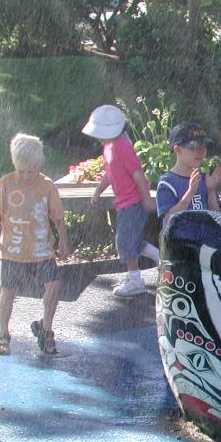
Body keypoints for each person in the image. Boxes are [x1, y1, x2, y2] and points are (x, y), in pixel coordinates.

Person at [0, 133, 69, 356]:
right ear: (15, 165)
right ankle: (3, 333)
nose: (26, 176)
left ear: (40, 163)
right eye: (21, 171)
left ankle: (46, 329)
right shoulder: (5, 184)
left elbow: (58, 217)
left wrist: (63, 238)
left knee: (54, 286)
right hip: (12, 251)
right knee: (7, 292)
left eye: (31, 171)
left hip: (42, 250)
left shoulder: (47, 186)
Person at [83, 104, 158, 298]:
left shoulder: (123, 147)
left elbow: (139, 175)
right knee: (131, 241)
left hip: (133, 202)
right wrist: (98, 191)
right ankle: (162, 260)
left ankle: (135, 280)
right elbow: (109, 172)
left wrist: (147, 200)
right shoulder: (108, 146)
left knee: (124, 242)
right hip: (124, 203)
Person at [155, 122, 221, 229]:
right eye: (194, 148)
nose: (201, 152)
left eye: (204, 147)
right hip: (178, 243)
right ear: (177, 149)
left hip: (202, 241)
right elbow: (169, 217)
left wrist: (211, 190)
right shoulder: (167, 183)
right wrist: (190, 192)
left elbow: (214, 213)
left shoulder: (205, 178)